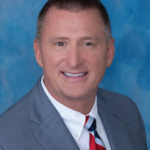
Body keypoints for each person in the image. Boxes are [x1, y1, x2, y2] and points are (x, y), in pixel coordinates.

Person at [0, 0, 148, 149]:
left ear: (109, 52)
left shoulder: (127, 111)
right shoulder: (5, 140)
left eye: (87, 43)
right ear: (38, 53)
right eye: (60, 43)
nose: (74, 61)